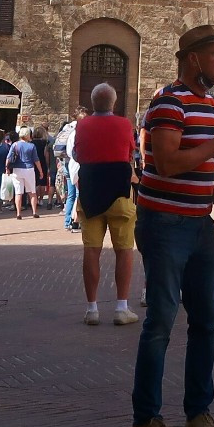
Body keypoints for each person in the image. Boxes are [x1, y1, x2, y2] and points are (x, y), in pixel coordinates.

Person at [128, 24, 214, 427]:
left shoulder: (208, 104)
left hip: (198, 226)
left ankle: (197, 412)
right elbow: (171, 163)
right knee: (160, 320)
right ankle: (146, 419)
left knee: (207, 320)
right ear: (193, 58)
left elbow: (205, 167)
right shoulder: (166, 103)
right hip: (164, 226)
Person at [76, 82, 141, 327]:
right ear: (113, 103)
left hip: (90, 192)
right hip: (119, 192)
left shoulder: (82, 125)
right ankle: (121, 307)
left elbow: (78, 155)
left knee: (91, 250)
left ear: (93, 103)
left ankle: (91, 308)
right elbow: (129, 154)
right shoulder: (125, 124)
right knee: (124, 250)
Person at [58, 109, 84, 231]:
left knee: (71, 194)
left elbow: (69, 151)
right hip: (77, 165)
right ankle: (75, 221)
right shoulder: (79, 132)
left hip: (69, 164)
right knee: (79, 194)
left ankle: (67, 221)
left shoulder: (68, 130)